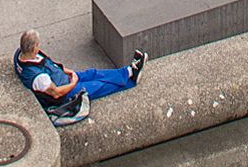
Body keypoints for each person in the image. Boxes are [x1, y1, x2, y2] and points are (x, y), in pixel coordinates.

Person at [12, 29, 147, 124]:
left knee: (92, 73)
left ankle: (128, 71)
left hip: (63, 78)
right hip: (65, 92)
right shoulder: (38, 78)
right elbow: (56, 93)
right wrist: (73, 82)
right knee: (98, 85)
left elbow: (51, 64)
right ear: (34, 48)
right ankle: (130, 80)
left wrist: (69, 72)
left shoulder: (21, 54)